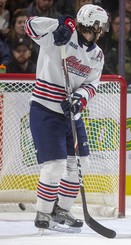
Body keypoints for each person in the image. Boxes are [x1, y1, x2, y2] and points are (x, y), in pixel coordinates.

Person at [25, 4, 108, 231]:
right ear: (93, 25)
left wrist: (79, 99)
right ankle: (43, 213)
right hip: (45, 110)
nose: (101, 30)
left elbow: (91, 84)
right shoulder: (60, 34)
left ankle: (62, 209)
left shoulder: (97, 55)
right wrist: (60, 23)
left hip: (72, 114)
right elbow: (29, 26)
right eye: (100, 25)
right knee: (54, 166)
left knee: (80, 163)